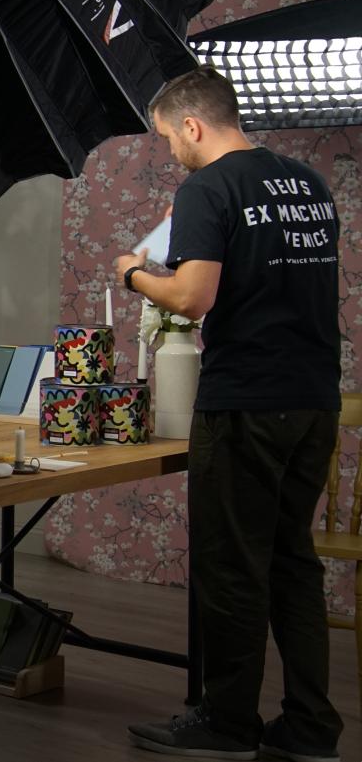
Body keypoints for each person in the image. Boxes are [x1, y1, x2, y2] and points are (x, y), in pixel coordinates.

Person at [114, 68, 342, 761]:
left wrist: (131, 270)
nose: (171, 154)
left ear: (192, 124)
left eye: (168, 139)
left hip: (246, 401)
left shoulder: (207, 187)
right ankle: (310, 728)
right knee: (292, 563)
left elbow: (190, 297)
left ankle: (228, 724)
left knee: (232, 567)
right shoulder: (306, 182)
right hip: (312, 400)